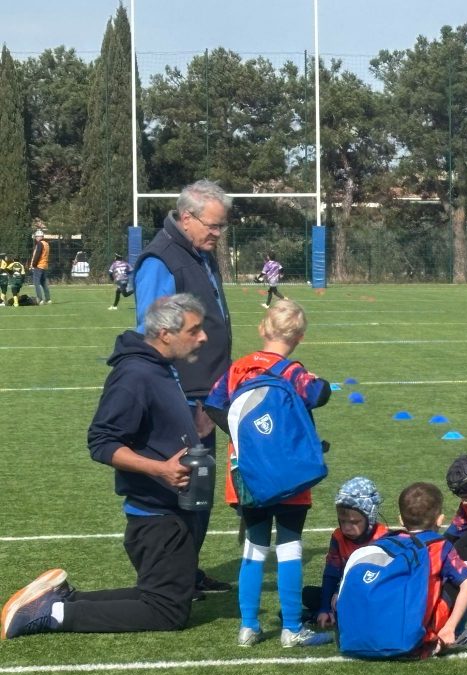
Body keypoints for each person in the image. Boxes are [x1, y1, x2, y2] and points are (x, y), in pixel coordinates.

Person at [1, 294, 208, 640]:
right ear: (165, 334)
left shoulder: (161, 366)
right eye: (194, 330)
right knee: (167, 611)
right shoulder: (135, 374)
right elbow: (102, 441)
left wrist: (193, 429)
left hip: (171, 510)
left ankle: (60, 601)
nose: (203, 337)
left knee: (161, 597)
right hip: (157, 516)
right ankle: (52, 614)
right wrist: (160, 469)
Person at [204, 300, 332, 648]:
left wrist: (244, 437)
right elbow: (319, 393)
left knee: (254, 546)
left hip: (247, 471)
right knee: (289, 547)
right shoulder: (292, 371)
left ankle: (248, 626)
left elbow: (213, 404)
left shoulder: (238, 368)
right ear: (300, 337)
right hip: (290, 471)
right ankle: (291, 628)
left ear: (262, 329)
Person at [134, 179, 234, 597]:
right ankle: (170, 579)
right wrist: (184, 404)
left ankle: (187, 571)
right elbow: (155, 338)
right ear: (187, 217)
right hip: (184, 400)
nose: (218, 233)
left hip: (207, 396)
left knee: (200, 490)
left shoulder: (199, 252)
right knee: (181, 490)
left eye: (221, 226)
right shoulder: (161, 259)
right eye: (213, 225)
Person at [345, 482, 467, 656]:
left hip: (362, 636)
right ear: (440, 519)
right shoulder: (440, 546)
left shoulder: (385, 541)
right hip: (413, 636)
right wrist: (450, 627)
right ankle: (454, 633)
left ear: (400, 519)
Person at [302, 476, 389, 630]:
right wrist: (325, 608)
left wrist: (341, 592)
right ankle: (330, 614)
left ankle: (324, 616)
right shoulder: (338, 537)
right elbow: (331, 573)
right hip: (344, 592)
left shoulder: (383, 539)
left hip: (371, 593)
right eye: (343, 521)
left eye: (354, 522)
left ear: (370, 516)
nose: (347, 528)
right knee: (308, 594)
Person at [28, 229, 51, 305]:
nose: (36, 238)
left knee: (36, 283)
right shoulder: (46, 244)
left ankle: (40, 299)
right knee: (44, 283)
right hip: (45, 265)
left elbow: (37, 255)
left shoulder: (40, 244)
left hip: (39, 265)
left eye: (36, 237)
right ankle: (48, 299)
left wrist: (33, 265)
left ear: (39, 237)